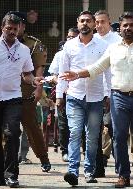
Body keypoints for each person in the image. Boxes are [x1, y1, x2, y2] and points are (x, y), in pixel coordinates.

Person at [60, 11, 133, 188]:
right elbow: (97, 67)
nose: (128, 28)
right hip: (119, 97)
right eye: (124, 25)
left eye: (131, 25)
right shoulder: (113, 48)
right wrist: (77, 74)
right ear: (120, 28)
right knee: (119, 136)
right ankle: (123, 175)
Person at [56, 10, 110, 186]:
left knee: (93, 136)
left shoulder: (102, 45)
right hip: (74, 96)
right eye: (82, 21)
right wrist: (59, 95)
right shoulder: (69, 46)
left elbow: (107, 72)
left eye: (88, 21)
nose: (85, 24)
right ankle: (72, 171)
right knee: (74, 133)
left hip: (96, 97)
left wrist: (108, 95)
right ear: (78, 24)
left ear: (94, 24)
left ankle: (89, 171)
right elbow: (63, 73)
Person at [0, 13, 43, 187]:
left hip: (13, 98)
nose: (12, 31)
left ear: (19, 29)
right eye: (9, 28)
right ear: (2, 28)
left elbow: (27, 74)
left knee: (12, 133)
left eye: (15, 29)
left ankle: (11, 175)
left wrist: (34, 81)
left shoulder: (23, 50)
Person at [8, 11, 51, 172]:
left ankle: (43, 158)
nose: (14, 29)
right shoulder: (0, 45)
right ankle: (6, 162)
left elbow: (39, 68)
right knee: (6, 129)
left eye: (17, 25)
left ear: (23, 26)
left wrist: (39, 89)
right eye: (10, 25)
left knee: (32, 127)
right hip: (5, 93)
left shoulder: (32, 44)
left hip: (26, 93)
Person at [93, 10, 122, 177]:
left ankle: (119, 165)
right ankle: (98, 168)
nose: (99, 25)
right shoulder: (92, 40)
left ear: (109, 22)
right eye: (96, 22)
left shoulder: (117, 40)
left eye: (102, 22)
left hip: (113, 91)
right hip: (95, 92)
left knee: (114, 128)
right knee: (95, 130)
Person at [49, 27, 79, 162]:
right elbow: (54, 75)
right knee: (63, 124)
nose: (69, 39)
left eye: (73, 37)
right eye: (68, 37)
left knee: (80, 124)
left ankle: (81, 150)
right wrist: (63, 85)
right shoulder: (60, 54)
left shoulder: (82, 52)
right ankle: (64, 151)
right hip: (64, 94)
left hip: (80, 93)